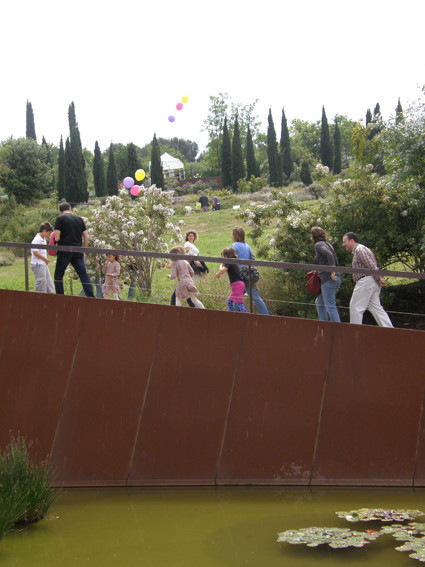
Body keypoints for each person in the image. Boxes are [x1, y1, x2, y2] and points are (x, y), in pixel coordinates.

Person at [342, 232, 393, 327]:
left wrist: (378, 279)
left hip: (366, 281)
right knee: (376, 308)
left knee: (355, 307)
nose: (343, 244)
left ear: (351, 241)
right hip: (371, 281)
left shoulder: (359, 250)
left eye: (344, 242)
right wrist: (378, 279)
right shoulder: (361, 249)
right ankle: (390, 331)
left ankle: (354, 332)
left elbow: (371, 266)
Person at [53, 202, 94, 297]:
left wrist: (54, 240)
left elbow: (57, 237)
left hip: (65, 250)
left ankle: (60, 297)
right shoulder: (79, 219)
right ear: (70, 209)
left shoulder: (60, 218)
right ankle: (91, 297)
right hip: (78, 250)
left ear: (60, 211)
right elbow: (86, 237)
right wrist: (84, 250)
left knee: (59, 275)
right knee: (83, 275)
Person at [230, 226, 269, 315]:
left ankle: (265, 315)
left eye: (232, 235)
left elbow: (231, 262)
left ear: (235, 236)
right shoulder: (247, 246)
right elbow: (253, 259)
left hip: (240, 275)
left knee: (238, 295)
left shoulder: (233, 246)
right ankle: (265, 315)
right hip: (250, 274)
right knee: (251, 296)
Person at [311, 226, 341, 322]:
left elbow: (329, 255)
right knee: (319, 303)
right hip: (333, 278)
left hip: (328, 279)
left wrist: (332, 271)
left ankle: (337, 330)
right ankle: (323, 326)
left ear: (313, 236)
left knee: (330, 307)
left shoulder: (318, 245)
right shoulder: (327, 244)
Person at [216, 248, 248, 312]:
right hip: (236, 285)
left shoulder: (230, 262)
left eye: (222, 256)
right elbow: (221, 272)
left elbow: (222, 271)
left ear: (225, 256)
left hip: (237, 285)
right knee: (229, 301)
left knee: (239, 303)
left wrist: (221, 264)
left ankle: (247, 317)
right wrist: (219, 273)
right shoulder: (232, 262)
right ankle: (230, 315)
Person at [30, 221, 55, 293]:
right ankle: (40, 298)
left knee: (48, 281)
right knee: (41, 282)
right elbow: (35, 252)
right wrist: (45, 259)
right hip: (38, 264)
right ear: (44, 231)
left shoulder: (43, 239)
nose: (48, 235)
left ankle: (50, 294)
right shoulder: (37, 239)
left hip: (42, 263)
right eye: (48, 233)